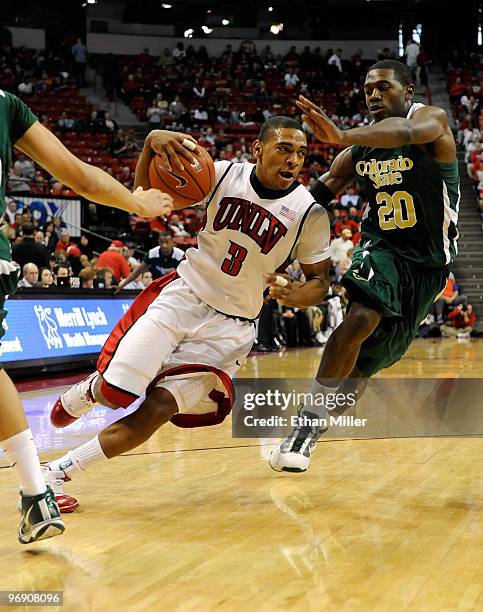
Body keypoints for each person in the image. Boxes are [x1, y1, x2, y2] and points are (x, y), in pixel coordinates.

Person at [42, 117, 333, 509]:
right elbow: (146, 198)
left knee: (158, 409)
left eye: (301, 152)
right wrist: (150, 145)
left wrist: (295, 294)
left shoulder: (310, 214)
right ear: (257, 148)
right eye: (284, 148)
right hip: (185, 298)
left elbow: (320, 283)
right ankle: (95, 388)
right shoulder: (220, 174)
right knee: (115, 393)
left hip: (231, 331)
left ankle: (56, 473)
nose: (294, 159)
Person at [0, 89, 173, 543]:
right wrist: (138, 203)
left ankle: (38, 492)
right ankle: (36, 495)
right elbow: (79, 176)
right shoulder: (5, 104)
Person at [270, 59, 460, 472]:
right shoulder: (357, 153)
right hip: (382, 247)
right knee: (360, 318)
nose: (374, 95)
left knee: (366, 364)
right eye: (368, 89)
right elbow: (311, 200)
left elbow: (407, 133)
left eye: (384, 87)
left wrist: (338, 134)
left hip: (428, 265)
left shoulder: (431, 121)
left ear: (407, 91)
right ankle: (302, 430)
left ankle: (313, 428)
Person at [116, 232, 184, 291]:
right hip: (157, 288)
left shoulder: (180, 255)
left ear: (172, 242)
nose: (164, 245)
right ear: (158, 242)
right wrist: (122, 285)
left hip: (175, 287)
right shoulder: (152, 254)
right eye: (161, 242)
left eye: (167, 242)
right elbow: (137, 272)